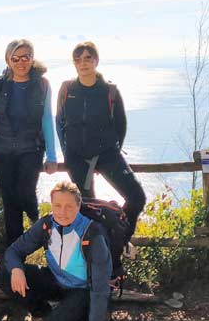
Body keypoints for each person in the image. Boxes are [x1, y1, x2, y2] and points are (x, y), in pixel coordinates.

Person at [0, 181, 111, 321]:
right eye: (57, 206)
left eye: (69, 207)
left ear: (78, 206)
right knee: (3, 274)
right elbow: (14, 251)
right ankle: (41, 313)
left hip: (83, 291)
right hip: (56, 280)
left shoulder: (93, 234)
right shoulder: (47, 224)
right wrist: (16, 269)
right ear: (51, 204)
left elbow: (100, 292)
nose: (62, 212)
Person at [56, 41, 146, 237]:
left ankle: (119, 241)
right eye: (78, 59)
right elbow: (59, 122)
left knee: (137, 197)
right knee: (87, 207)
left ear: (96, 60)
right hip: (76, 157)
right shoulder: (67, 89)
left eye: (88, 58)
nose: (83, 63)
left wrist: (110, 150)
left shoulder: (109, 91)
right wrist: (67, 152)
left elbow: (120, 125)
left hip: (107, 154)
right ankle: (98, 253)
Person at [0, 39, 57, 263]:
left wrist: (52, 156)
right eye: (15, 58)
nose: (20, 62)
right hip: (3, 149)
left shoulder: (42, 85)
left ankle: (40, 225)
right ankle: (16, 261)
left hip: (30, 149)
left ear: (32, 58)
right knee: (10, 204)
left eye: (25, 57)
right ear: (8, 60)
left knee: (26, 193)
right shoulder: (0, 84)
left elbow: (47, 119)